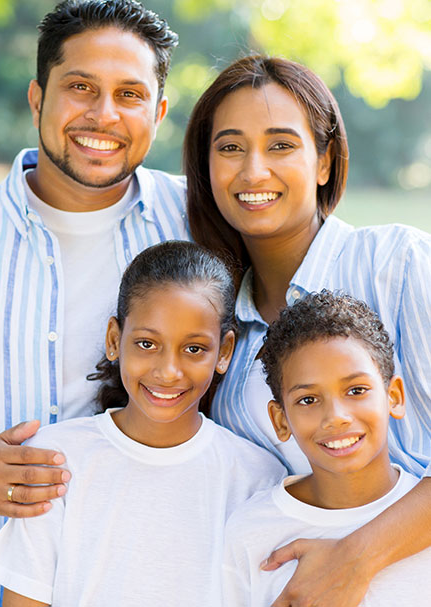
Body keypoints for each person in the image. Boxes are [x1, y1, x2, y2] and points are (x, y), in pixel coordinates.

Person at [184, 55, 431, 606]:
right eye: (229, 147)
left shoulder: (400, 265)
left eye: (280, 145)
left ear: (324, 160)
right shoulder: (222, 336)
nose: (253, 171)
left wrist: (356, 559)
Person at [0, 2, 189, 605]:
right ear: (38, 98)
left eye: (130, 94)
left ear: (159, 113)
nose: (104, 115)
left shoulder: (206, 227)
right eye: (81, 87)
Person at [0, 240, 285, 606]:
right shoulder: (56, 460)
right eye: (147, 344)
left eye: (194, 349)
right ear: (114, 340)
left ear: (225, 351)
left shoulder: (258, 479)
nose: (168, 371)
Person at [222, 291, 431, 606]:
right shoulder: (252, 532)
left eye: (356, 390)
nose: (336, 418)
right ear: (280, 420)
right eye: (308, 399)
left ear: (395, 396)